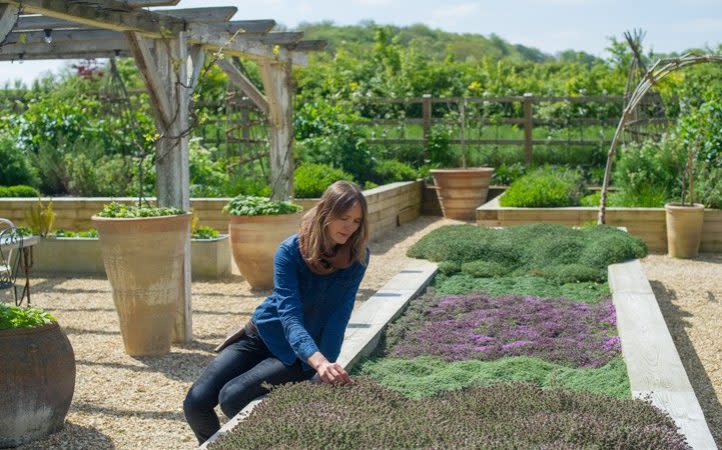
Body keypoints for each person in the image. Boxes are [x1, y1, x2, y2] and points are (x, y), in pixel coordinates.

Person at [183, 180, 370, 444]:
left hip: (299, 354)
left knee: (232, 398)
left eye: (356, 221)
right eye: (343, 218)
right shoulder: (290, 251)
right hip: (259, 336)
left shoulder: (357, 258)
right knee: (196, 403)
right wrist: (320, 361)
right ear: (325, 212)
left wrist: (322, 363)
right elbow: (289, 314)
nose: (350, 227)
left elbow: (340, 314)